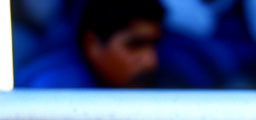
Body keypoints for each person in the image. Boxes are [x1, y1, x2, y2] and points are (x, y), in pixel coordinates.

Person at [16, 0, 164, 88]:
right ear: (93, 45)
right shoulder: (52, 89)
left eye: (153, 45)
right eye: (134, 45)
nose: (151, 61)